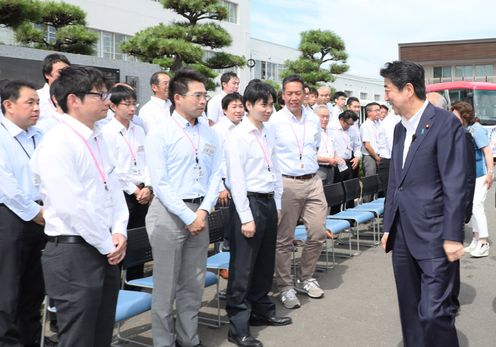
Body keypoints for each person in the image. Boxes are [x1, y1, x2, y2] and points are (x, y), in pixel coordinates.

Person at [31, 66, 129, 347]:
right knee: (78, 338)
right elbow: (71, 206)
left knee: (100, 335)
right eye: (100, 95)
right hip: (74, 253)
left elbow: (113, 190)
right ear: (74, 100)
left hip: (105, 247)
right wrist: (107, 243)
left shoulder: (98, 137)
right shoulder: (57, 143)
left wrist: (120, 230)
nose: (107, 101)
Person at [380, 60, 467, 347]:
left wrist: (454, 236)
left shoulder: (445, 124)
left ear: (407, 89)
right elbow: (395, 181)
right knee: (409, 309)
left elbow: (455, 183)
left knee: (433, 313)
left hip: (435, 233)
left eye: (388, 89)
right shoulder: (398, 129)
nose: (385, 96)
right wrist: (387, 226)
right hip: (402, 233)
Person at [145, 69, 222, 347]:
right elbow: (160, 183)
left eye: (205, 95)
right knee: (165, 286)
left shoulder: (210, 133)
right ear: (177, 97)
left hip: (199, 213)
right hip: (169, 213)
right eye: (197, 95)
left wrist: (202, 212)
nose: (203, 101)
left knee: (193, 282)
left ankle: (189, 339)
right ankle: (164, 342)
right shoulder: (160, 133)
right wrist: (190, 216)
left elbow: (216, 175)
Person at [224, 82, 291, 347]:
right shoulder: (238, 136)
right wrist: (245, 216)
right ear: (249, 105)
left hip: (266, 202)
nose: (268, 109)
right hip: (248, 203)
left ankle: (261, 311)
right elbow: (236, 179)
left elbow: (274, 170)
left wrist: (277, 204)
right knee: (242, 268)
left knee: (264, 262)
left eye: (271, 104)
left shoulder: (267, 133)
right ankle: (238, 326)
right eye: (263, 104)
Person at [269, 75, 327, 309]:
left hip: (313, 180)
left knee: (317, 232)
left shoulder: (313, 119)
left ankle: (306, 277)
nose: (294, 98)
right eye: (289, 93)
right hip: (287, 183)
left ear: (305, 94)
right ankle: (285, 286)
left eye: (298, 93)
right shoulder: (274, 121)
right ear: (283, 95)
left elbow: (313, 146)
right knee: (283, 239)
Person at [0, 80, 46, 347]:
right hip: (12, 219)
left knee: (33, 292)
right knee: (7, 294)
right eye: (30, 102)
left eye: (38, 102)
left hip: (43, 216)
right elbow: (6, 185)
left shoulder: (39, 135)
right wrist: (34, 212)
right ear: (8, 105)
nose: (36, 108)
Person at [103, 85, 153, 229]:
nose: (132, 109)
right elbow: (112, 168)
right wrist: (135, 190)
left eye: (134, 104)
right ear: (113, 106)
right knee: (124, 233)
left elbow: (147, 162)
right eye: (127, 104)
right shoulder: (107, 132)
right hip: (122, 193)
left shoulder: (139, 130)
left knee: (142, 234)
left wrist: (148, 187)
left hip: (143, 192)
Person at [451, 101, 493, 258]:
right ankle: (476, 239)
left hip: (481, 174)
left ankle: (483, 241)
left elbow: (487, 152)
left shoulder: (477, 130)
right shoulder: (466, 129)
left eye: (455, 115)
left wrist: (490, 173)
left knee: (477, 206)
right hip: (472, 175)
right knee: (473, 207)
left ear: (464, 115)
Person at [36, 53, 71, 132]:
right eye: (60, 72)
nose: (65, 75)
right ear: (47, 74)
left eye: (68, 71)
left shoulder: (76, 96)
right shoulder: (37, 97)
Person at [329, 110, 361, 183]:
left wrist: (357, 157)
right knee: (337, 189)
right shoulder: (331, 128)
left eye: (351, 124)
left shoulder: (352, 129)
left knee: (350, 187)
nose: (349, 126)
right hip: (336, 164)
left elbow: (357, 145)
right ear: (341, 119)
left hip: (349, 162)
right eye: (348, 124)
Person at [376, 105, 400, 197]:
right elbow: (393, 144)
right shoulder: (390, 121)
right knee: (391, 195)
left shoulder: (398, 119)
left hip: (394, 160)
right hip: (389, 161)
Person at [315, 104, 339, 185]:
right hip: (319, 169)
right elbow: (311, 155)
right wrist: (329, 160)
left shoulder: (330, 131)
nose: (325, 119)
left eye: (327, 117)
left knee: (330, 195)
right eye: (322, 116)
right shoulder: (312, 132)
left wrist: (336, 157)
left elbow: (333, 149)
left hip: (331, 168)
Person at [360, 102, 381, 177]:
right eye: (376, 110)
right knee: (370, 179)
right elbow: (367, 145)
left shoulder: (378, 124)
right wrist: (376, 158)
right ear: (369, 112)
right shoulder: (365, 125)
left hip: (378, 155)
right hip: (370, 156)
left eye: (379, 110)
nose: (379, 112)